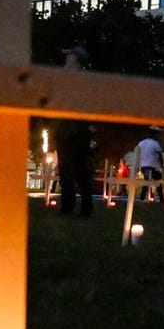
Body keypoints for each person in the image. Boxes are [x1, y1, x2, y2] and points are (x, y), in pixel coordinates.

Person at [54, 48, 94, 217]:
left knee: (69, 170)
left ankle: (68, 208)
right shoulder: (86, 82)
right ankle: (85, 208)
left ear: (75, 61)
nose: (65, 61)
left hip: (71, 130)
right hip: (79, 130)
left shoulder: (71, 81)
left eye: (68, 58)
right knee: (80, 170)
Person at [135, 131, 164, 201]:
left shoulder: (141, 143)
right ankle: (161, 197)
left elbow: (138, 154)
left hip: (143, 166)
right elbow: (160, 155)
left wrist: (137, 166)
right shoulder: (155, 144)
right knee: (158, 181)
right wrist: (162, 164)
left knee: (147, 180)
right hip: (153, 165)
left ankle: (144, 197)